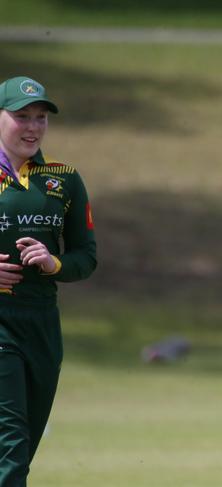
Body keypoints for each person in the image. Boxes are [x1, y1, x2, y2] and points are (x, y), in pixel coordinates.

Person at [0, 76, 97, 485]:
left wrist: (54, 263)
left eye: (40, 118)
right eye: (22, 117)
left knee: (25, 444)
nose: (33, 127)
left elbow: (86, 257)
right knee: (10, 451)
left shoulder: (64, 179)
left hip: (42, 323)